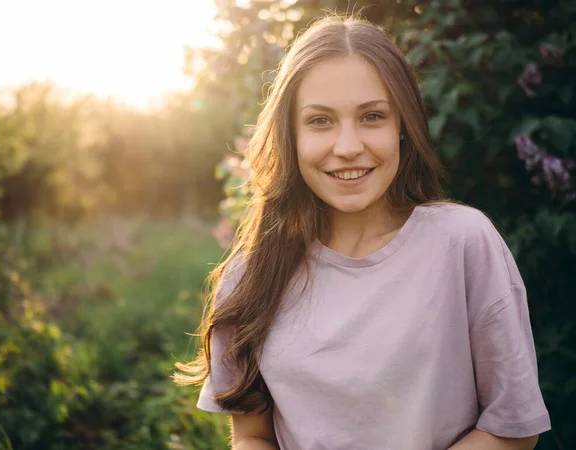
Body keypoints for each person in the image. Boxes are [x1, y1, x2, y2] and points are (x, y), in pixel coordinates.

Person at [173, 14, 551, 450]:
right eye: (320, 121)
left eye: (372, 116)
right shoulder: (251, 275)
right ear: (289, 136)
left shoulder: (463, 242)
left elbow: (513, 430)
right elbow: (252, 437)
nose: (348, 146)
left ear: (403, 128)